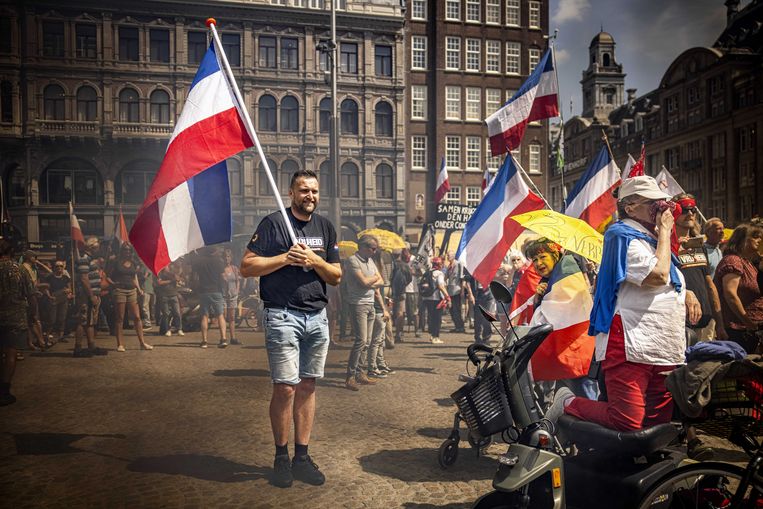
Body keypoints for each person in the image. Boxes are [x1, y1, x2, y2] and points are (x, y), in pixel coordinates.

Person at [546, 176, 702, 432]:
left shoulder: (652, 240)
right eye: (653, 202)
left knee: (657, 424)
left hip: (665, 345)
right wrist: (664, 231)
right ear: (630, 207)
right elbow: (658, 276)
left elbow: (668, 281)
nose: (662, 207)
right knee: (627, 420)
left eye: (662, 202)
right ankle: (568, 402)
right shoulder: (622, 235)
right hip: (632, 340)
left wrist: (687, 291)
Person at [240, 168, 341, 488]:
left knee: (308, 386)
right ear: (291, 193)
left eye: (313, 191)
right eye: (303, 191)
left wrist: (314, 260)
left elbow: (335, 276)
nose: (309, 196)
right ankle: (281, 456)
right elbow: (247, 266)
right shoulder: (273, 224)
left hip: (317, 317)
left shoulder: (325, 227)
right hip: (282, 314)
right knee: (285, 387)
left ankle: (302, 456)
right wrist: (285, 257)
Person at [714, 222, 763, 354]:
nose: (760, 240)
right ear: (743, 239)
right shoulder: (733, 260)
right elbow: (730, 294)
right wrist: (748, 323)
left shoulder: (748, 262)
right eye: (755, 236)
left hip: (749, 329)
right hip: (740, 331)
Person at [344, 234, 383, 390]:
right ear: (365, 248)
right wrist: (373, 280)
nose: (375, 251)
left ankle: (360, 373)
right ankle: (350, 377)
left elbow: (380, 280)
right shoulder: (352, 261)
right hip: (358, 304)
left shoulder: (370, 260)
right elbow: (365, 281)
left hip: (370, 303)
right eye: (373, 249)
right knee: (360, 341)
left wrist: (371, 281)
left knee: (366, 342)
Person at [0, 238, 35, 405]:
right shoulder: (20, 269)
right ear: (11, 252)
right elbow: (31, 294)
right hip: (15, 318)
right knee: (11, 355)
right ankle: (4, 391)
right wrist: (33, 315)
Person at [106, 244, 153, 352]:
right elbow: (107, 276)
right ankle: (120, 344)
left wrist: (139, 289)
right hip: (120, 291)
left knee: (137, 317)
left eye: (129, 250)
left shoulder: (133, 263)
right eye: (125, 250)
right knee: (120, 318)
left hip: (132, 291)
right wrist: (114, 284)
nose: (127, 252)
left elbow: (134, 277)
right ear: (121, 251)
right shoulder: (116, 262)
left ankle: (142, 343)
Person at [73, 237, 108, 357]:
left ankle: (91, 346)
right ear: (92, 247)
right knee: (82, 321)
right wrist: (92, 295)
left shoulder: (90, 259)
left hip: (92, 295)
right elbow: (84, 279)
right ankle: (78, 348)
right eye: (97, 247)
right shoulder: (83, 259)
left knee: (90, 322)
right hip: (85, 296)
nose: (99, 249)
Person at [192, 246, 228, 348]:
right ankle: (223, 339)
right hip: (216, 291)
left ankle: (204, 341)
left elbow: (195, 278)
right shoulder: (219, 261)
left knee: (204, 316)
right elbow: (223, 277)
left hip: (203, 292)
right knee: (220, 315)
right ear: (215, 251)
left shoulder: (200, 261)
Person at [422, 257, 449, 344]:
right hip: (436, 299)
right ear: (440, 265)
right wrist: (447, 296)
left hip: (427, 298)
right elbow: (441, 286)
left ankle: (431, 335)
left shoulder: (428, 272)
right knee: (437, 318)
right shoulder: (439, 273)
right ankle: (436, 337)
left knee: (430, 317)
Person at [45, 260, 72, 343]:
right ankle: (47, 336)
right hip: (53, 298)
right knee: (51, 319)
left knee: (62, 318)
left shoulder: (65, 277)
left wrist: (69, 292)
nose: (59, 268)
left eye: (61, 266)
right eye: (57, 266)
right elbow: (46, 288)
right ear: (54, 268)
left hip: (63, 298)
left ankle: (61, 336)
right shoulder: (50, 277)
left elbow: (70, 288)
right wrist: (49, 296)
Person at [157, 263, 184, 336]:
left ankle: (179, 329)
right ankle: (167, 330)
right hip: (164, 296)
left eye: (167, 266)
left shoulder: (173, 274)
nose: (167, 267)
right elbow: (159, 282)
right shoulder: (160, 274)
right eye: (165, 266)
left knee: (177, 313)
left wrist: (177, 277)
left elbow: (179, 280)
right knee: (166, 314)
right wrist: (170, 281)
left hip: (174, 295)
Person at [222, 249, 242, 345]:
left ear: (231, 258)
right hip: (224, 296)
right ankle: (223, 337)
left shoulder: (234, 268)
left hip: (233, 295)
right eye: (225, 256)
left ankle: (233, 338)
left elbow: (238, 280)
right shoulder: (221, 269)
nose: (227, 258)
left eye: (228, 256)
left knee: (232, 317)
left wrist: (237, 290)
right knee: (224, 316)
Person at [446, 254, 466, 333]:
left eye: (449, 255)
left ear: (453, 256)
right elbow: (446, 277)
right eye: (447, 255)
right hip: (450, 290)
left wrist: (462, 290)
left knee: (457, 309)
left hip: (457, 290)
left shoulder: (459, 264)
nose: (448, 257)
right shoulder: (449, 266)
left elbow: (462, 278)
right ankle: (456, 326)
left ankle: (461, 327)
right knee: (451, 310)